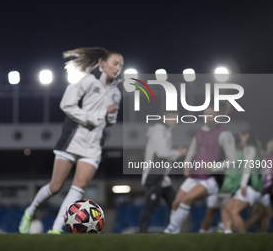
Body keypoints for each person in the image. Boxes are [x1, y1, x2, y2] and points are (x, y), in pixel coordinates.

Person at [19, 47, 123, 234]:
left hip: (93, 146)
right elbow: (66, 104)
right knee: (56, 186)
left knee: (80, 185)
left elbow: (109, 123)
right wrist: (96, 115)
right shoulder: (88, 81)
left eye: (121, 65)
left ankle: (56, 230)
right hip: (73, 139)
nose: (118, 68)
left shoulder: (116, 93)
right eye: (115, 63)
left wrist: (110, 115)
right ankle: (30, 211)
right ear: (102, 64)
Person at [164, 102, 236, 234]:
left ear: (219, 116)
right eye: (205, 115)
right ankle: (174, 232)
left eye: (210, 115)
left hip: (212, 179)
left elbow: (232, 160)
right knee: (176, 202)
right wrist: (187, 164)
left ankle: (170, 230)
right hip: (196, 175)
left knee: (187, 199)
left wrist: (213, 167)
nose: (207, 118)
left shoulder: (225, 134)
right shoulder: (199, 132)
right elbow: (192, 150)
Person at [139, 111, 187, 233]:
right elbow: (161, 153)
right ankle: (142, 234)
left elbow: (164, 152)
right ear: (167, 118)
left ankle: (171, 230)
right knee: (149, 207)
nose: (176, 121)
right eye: (175, 118)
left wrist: (174, 152)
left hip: (163, 178)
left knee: (175, 203)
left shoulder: (165, 131)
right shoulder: (159, 131)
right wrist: (178, 153)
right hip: (154, 176)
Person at [222, 128, 263, 233]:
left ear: (247, 136)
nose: (241, 138)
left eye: (242, 135)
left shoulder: (249, 149)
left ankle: (243, 240)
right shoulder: (255, 149)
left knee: (233, 211)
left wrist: (243, 185)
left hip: (251, 186)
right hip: (256, 186)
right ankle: (228, 234)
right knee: (226, 207)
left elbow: (247, 168)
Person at [199, 134, 242, 233]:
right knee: (225, 213)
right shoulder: (239, 155)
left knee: (210, 214)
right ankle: (223, 232)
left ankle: (202, 233)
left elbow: (209, 169)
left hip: (218, 186)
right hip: (227, 188)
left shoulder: (221, 154)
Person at [244, 139, 273, 232]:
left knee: (260, 215)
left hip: (262, 190)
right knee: (260, 215)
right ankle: (240, 230)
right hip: (263, 191)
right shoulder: (267, 158)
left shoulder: (264, 157)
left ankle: (262, 234)